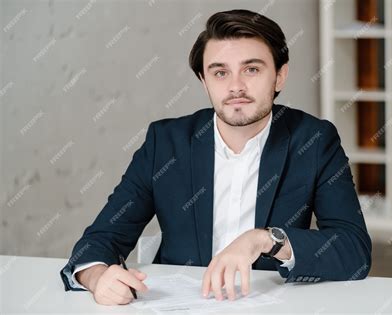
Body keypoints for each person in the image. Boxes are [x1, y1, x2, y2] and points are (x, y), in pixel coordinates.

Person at [60, 9, 372, 306]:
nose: (236, 86)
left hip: (270, 304)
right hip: (177, 305)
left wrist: (264, 240)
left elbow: (353, 250)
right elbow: (101, 239)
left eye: (251, 69)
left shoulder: (314, 140)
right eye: (220, 72)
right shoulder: (166, 143)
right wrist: (98, 277)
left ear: (279, 76)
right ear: (203, 80)